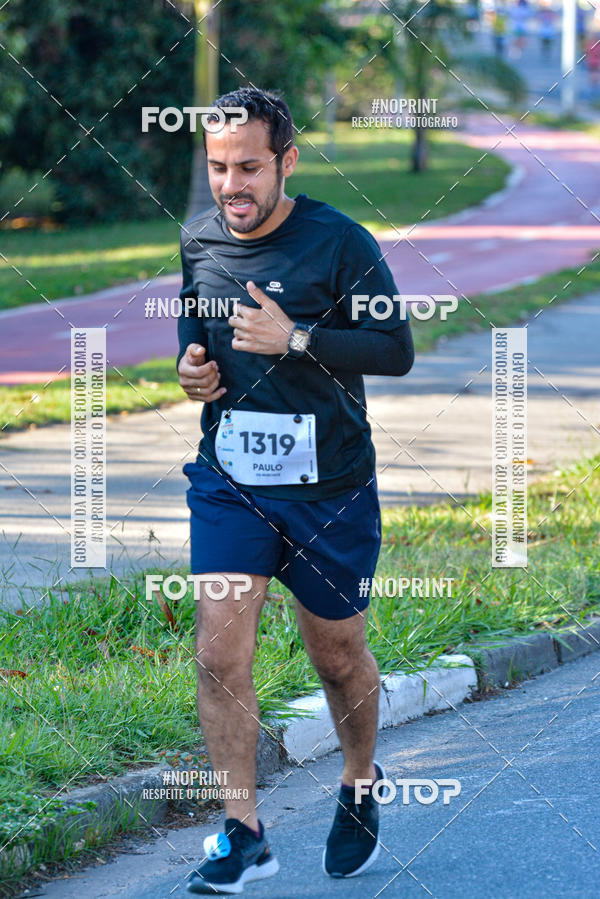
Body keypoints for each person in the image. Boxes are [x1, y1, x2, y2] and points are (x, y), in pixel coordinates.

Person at [176, 86, 414, 893]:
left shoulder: (341, 244)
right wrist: (193, 369)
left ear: (287, 161)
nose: (230, 185)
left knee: (338, 655)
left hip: (330, 488)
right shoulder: (201, 235)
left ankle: (357, 783)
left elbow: (396, 348)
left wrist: (298, 337)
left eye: (248, 166)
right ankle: (243, 833)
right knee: (218, 651)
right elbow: (193, 323)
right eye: (217, 167)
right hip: (231, 479)